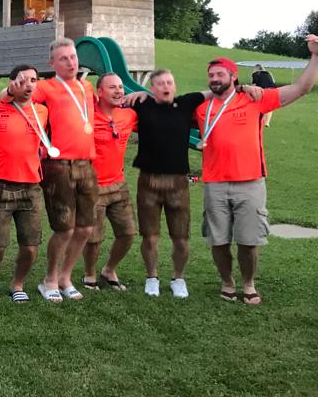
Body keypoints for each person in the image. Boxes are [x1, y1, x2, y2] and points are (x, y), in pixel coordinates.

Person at [195, 40, 318, 304]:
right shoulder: (201, 106)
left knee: (249, 241)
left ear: (233, 76)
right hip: (215, 183)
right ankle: (227, 282)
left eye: (220, 74)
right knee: (218, 240)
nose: (214, 79)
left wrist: (316, 57)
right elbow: (167, 105)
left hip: (250, 182)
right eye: (211, 75)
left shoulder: (255, 99)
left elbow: (301, 88)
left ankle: (248, 284)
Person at [2, 37, 97, 303]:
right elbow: (9, 99)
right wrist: (10, 90)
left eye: (73, 56)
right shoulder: (45, 87)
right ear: (52, 63)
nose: (71, 62)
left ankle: (66, 278)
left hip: (87, 165)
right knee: (64, 228)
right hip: (58, 166)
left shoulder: (87, 87)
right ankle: (50, 280)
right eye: (63, 58)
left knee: (86, 228)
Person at [124, 69, 206, 298]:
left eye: (169, 82)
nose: (165, 86)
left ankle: (178, 278)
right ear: (152, 88)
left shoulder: (186, 103)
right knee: (149, 236)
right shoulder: (142, 104)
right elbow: (114, 99)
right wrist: (135, 95)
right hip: (148, 182)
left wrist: (243, 87)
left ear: (175, 85)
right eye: (160, 83)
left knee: (181, 237)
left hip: (178, 183)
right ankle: (152, 277)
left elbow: (217, 92)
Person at [0, 65, 48, 304]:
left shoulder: (42, 111)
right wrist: (8, 93)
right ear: (11, 82)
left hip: (31, 186)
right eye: (22, 80)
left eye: (33, 80)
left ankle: (17, 284)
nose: (28, 84)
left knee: (30, 246)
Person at [81, 73, 138, 292]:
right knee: (94, 238)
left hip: (119, 185)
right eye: (112, 87)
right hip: (93, 187)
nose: (119, 91)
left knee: (128, 233)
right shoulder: (87, 116)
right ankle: (89, 274)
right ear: (100, 92)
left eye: (120, 87)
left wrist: (143, 95)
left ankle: (109, 269)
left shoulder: (129, 115)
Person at [252, 63, 276, 128]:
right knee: (270, 107)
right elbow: (273, 82)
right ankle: (267, 122)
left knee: (260, 105)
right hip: (273, 91)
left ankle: (259, 119)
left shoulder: (255, 74)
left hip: (263, 91)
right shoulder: (269, 73)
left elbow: (254, 84)